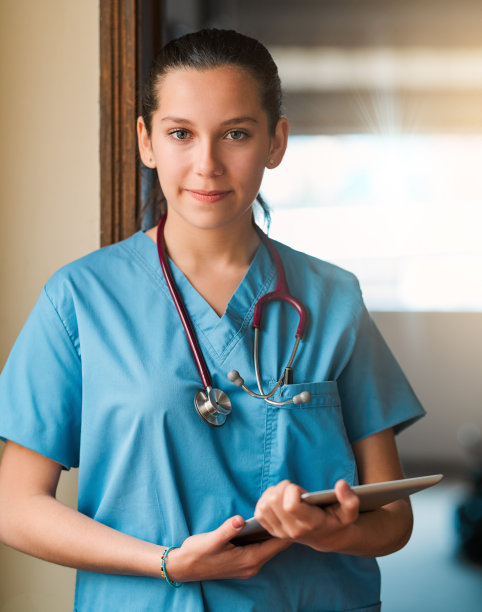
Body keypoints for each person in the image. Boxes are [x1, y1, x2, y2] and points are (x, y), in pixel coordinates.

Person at [0, 28, 425, 611]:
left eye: (236, 134)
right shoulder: (79, 297)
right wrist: (168, 564)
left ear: (275, 143)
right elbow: (15, 507)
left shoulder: (333, 299)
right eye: (181, 133)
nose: (207, 164)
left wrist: (332, 530)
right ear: (147, 142)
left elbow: (393, 518)